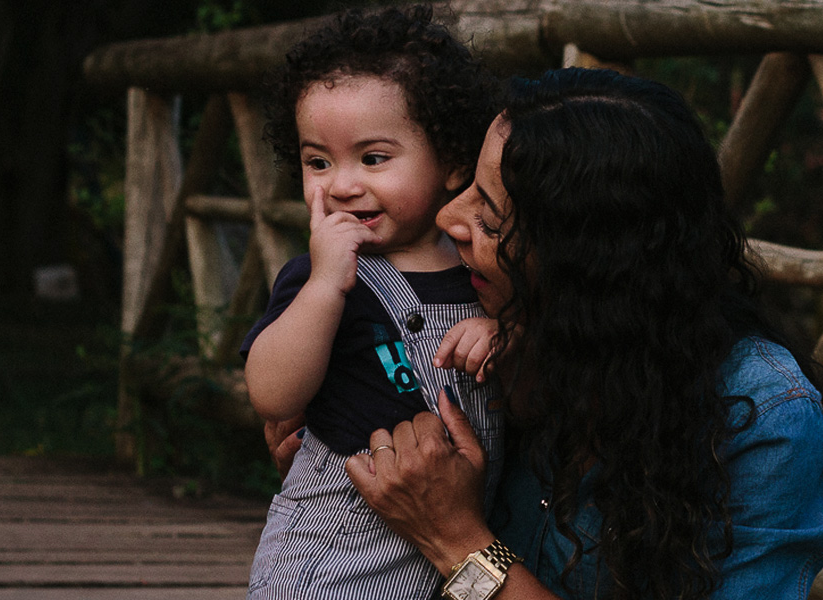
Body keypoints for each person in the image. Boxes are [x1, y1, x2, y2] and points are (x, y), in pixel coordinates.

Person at [345, 67, 823, 600]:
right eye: (468, 189)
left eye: (492, 220)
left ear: (588, 267)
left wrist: (458, 542)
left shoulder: (766, 421)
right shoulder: (506, 336)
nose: (448, 216)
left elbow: (447, 530)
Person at [240, 6, 504, 599]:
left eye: (374, 158)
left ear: (454, 161)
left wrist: (499, 332)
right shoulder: (322, 277)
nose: (340, 184)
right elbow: (272, 392)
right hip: (324, 569)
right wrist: (325, 289)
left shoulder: (483, 276)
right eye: (318, 162)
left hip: (445, 567)